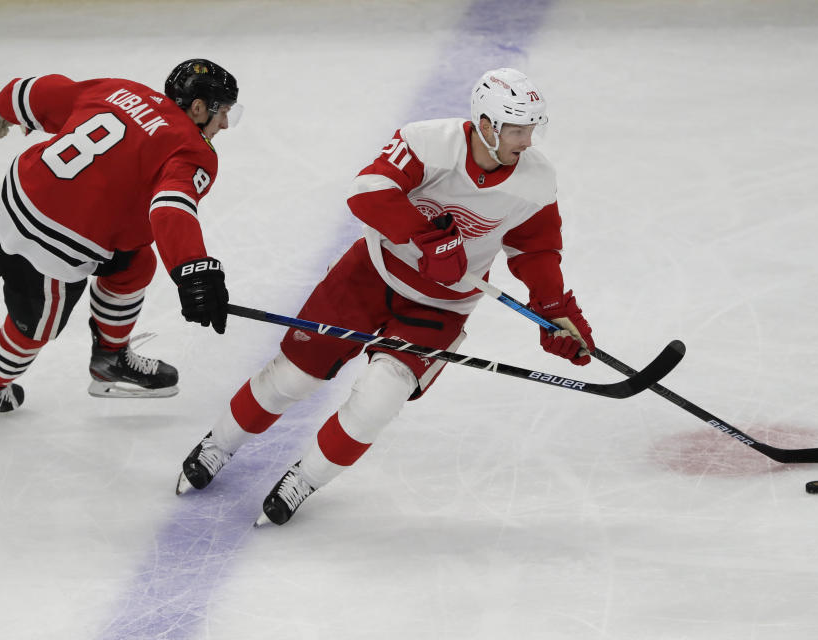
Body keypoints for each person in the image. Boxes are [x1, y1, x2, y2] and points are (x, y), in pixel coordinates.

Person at [176, 68, 595, 525]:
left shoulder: (534, 179)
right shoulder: (428, 142)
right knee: (294, 376)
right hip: (370, 274)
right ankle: (218, 444)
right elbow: (367, 192)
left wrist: (553, 310)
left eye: (532, 128)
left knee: (379, 400)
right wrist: (428, 240)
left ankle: (306, 478)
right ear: (488, 124)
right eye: (517, 129)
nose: (528, 141)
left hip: (443, 306)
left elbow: (535, 249)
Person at [0, 59, 238, 412]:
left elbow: (50, 93)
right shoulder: (192, 150)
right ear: (199, 107)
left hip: (19, 193)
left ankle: (110, 358)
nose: (226, 123)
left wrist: (4, 103)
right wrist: (194, 271)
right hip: (51, 245)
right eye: (223, 112)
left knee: (135, 262)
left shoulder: (124, 90)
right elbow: (172, 208)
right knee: (34, 327)